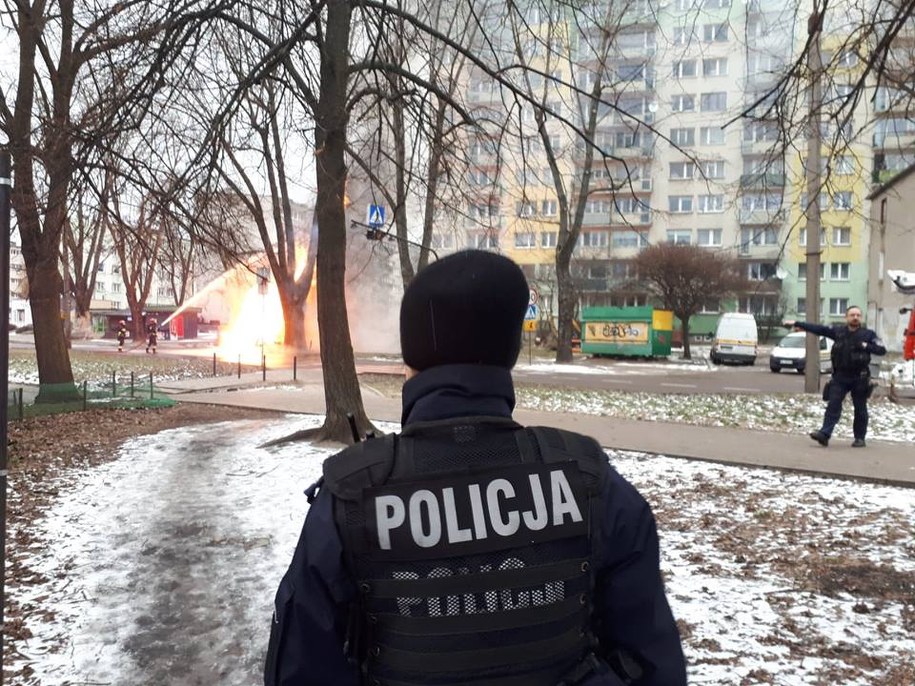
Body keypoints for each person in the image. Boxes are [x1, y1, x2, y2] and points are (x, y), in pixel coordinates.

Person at [265, 250, 686, 686]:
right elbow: (651, 663)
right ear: (509, 355)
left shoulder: (351, 497)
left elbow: (301, 668)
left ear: (411, 364)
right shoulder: (591, 482)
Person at [784, 305, 886, 447]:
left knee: (860, 408)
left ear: (860, 318)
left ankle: (860, 438)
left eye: (858, 315)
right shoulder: (838, 332)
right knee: (833, 404)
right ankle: (824, 434)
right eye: (852, 315)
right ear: (846, 317)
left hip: (860, 377)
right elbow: (818, 329)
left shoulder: (868, 334)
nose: (855, 317)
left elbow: (881, 350)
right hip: (840, 376)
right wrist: (797, 323)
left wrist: (865, 346)